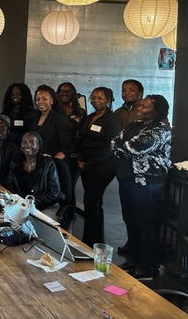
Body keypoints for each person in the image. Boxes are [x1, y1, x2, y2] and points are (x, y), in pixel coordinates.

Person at [112, 94, 172, 277]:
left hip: (148, 182)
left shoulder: (160, 129)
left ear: (156, 111)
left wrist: (124, 145)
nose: (140, 108)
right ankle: (134, 259)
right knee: (130, 220)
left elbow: (136, 147)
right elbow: (114, 143)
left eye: (145, 106)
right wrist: (125, 145)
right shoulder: (134, 125)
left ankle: (146, 266)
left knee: (145, 223)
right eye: (141, 105)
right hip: (127, 177)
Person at [77, 87, 121, 246]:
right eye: (94, 97)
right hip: (86, 164)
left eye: (100, 98)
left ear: (108, 100)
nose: (96, 100)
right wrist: (80, 159)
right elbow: (82, 139)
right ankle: (90, 239)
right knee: (90, 201)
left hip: (104, 165)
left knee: (92, 200)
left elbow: (111, 148)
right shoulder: (90, 117)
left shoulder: (112, 120)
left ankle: (93, 241)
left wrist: (89, 164)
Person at [32, 85, 73, 227]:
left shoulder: (59, 119)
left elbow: (65, 148)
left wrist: (52, 162)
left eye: (44, 99)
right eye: (38, 99)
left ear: (52, 101)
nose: (40, 102)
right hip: (37, 166)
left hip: (53, 168)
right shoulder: (35, 117)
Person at [6, 131, 62, 214]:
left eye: (32, 142)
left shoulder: (48, 164)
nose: (28, 145)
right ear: (21, 146)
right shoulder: (15, 162)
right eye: (24, 142)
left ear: (38, 146)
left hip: (46, 206)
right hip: (22, 205)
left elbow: (54, 193)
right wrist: (18, 201)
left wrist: (30, 202)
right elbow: (9, 184)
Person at [56, 82, 87, 223]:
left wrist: (81, 156)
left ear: (73, 93)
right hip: (58, 153)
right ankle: (57, 214)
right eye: (62, 91)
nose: (64, 93)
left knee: (69, 186)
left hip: (73, 156)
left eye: (68, 91)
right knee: (57, 184)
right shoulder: (55, 110)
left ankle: (69, 215)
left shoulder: (80, 112)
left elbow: (83, 135)